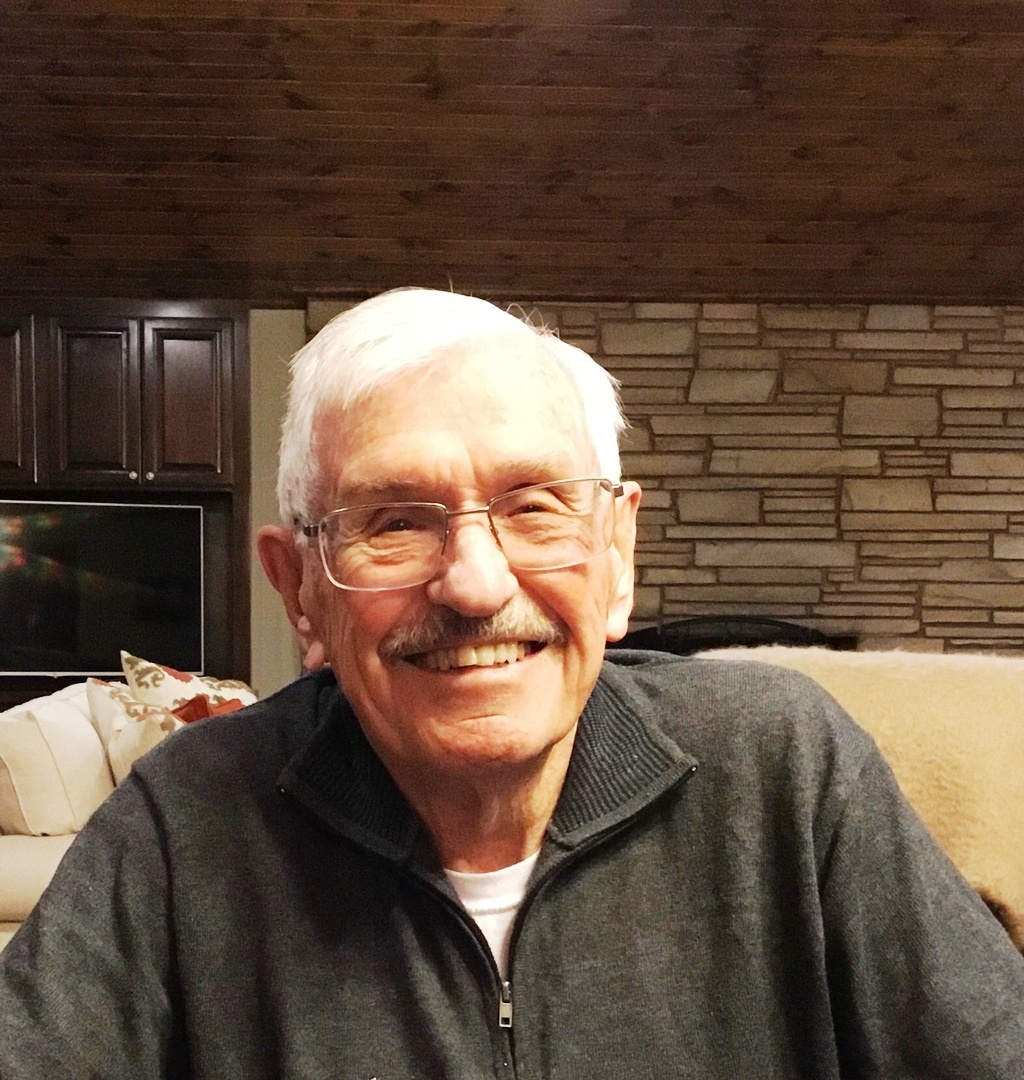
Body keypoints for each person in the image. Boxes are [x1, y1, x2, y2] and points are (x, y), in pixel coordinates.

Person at [1, 287, 1022, 1078]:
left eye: (535, 507)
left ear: (616, 556)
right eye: (395, 521)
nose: (477, 583)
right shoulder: (184, 820)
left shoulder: (787, 765)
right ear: (299, 588)